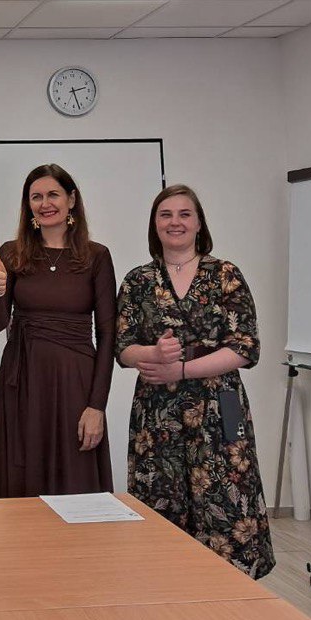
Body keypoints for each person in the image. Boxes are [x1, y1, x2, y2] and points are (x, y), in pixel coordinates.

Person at [116, 184, 275, 579]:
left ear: (199, 223)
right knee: (161, 504)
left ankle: (232, 597)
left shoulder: (225, 275)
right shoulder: (138, 281)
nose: (176, 222)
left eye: (185, 214)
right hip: (158, 415)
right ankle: (167, 595)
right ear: (154, 224)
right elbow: (122, 347)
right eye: (166, 214)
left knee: (226, 504)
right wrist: (152, 354)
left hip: (220, 407)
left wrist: (183, 370)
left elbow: (246, 347)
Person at [0, 163, 116, 497]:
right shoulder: (11, 253)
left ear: (71, 200)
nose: (45, 203)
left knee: (75, 478)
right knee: (24, 479)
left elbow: (108, 335)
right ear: (28, 205)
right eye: (36, 197)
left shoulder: (96, 256)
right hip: (22, 381)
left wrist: (97, 406)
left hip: (76, 383)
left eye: (53, 194)